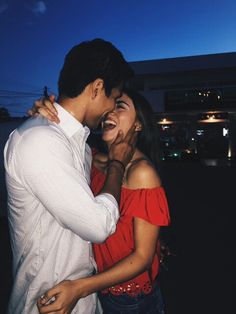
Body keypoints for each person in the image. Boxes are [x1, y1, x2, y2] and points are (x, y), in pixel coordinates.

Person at [4, 38, 136, 314]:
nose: (112, 109)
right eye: (114, 98)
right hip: (43, 301)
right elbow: (98, 226)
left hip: (83, 299)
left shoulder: (80, 147)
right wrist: (117, 164)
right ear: (97, 88)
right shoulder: (38, 140)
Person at [31, 88, 171, 314]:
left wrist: (79, 288)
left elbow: (143, 258)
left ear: (138, 125)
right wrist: (44, 115)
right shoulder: (93, 158)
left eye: (120, 106)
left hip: (132, 299)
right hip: (102, 290)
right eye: (110, 106)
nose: (108, 113)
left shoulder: (142, 173)